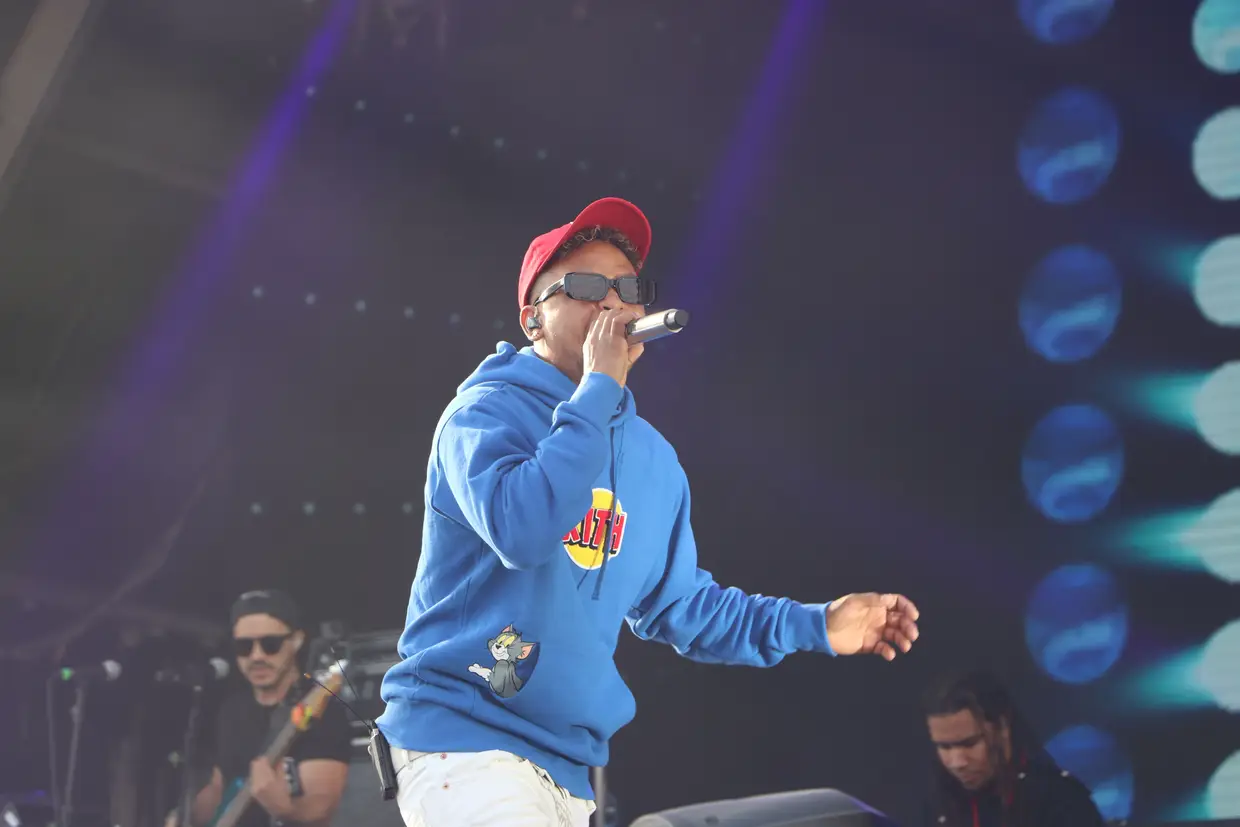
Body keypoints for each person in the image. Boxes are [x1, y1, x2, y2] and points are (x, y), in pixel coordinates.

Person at [375, 196, 921, 827]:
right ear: (533, 320)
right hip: (464, 741)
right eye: (585, 286)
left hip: (569, 769)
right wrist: (599, 387)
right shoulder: (484, 414)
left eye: (628, 288)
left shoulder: (652, 460)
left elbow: (685, 608)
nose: (613, 302)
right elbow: (524, 530)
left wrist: (818, 624)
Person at [174, 590, 352, 827]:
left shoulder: (324, 711)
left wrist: (284, 807)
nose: (256, 656)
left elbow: (320, 807)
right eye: (244, 646)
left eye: (270, 644)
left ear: (297, 641)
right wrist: (185, 816)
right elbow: (219, 786)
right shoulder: (232, 710)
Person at [920, 670, 1104, 827]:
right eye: (944, 746)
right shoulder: (940, 808)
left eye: (970, 743)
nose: (957, 762)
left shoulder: (1060, 800)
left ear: (1002, 727)